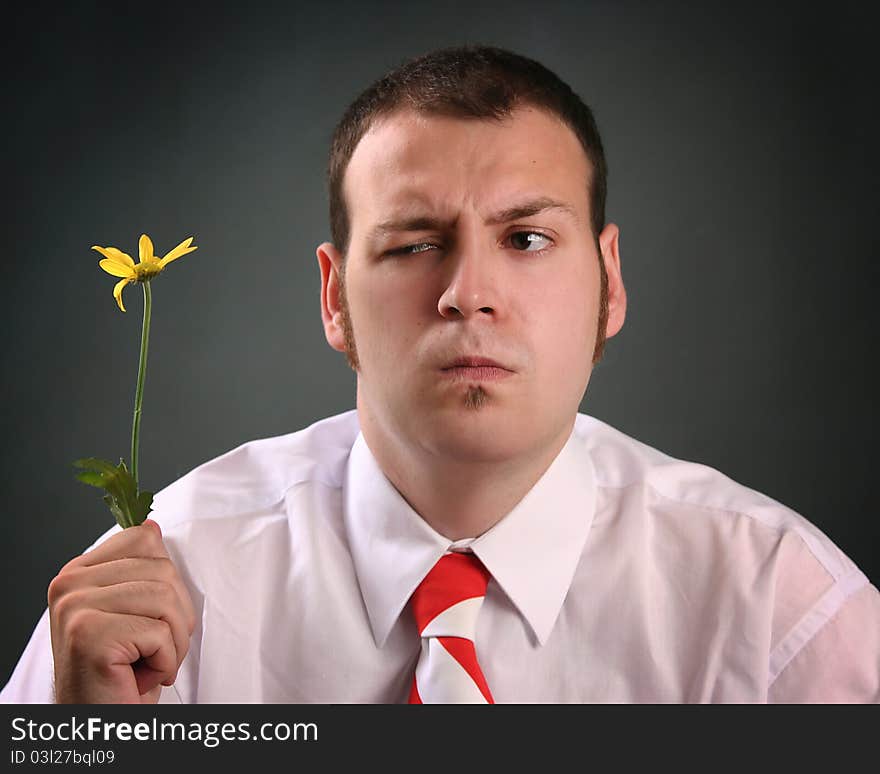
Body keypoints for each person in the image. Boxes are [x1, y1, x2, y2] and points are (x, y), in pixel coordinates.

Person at [3, 44, 878, 704]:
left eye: (527, 239)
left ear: (609, 285)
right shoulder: (166, 580)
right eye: (415, 244)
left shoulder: (780, 608)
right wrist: (92, 748)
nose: (468, 295)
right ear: (334, 297)